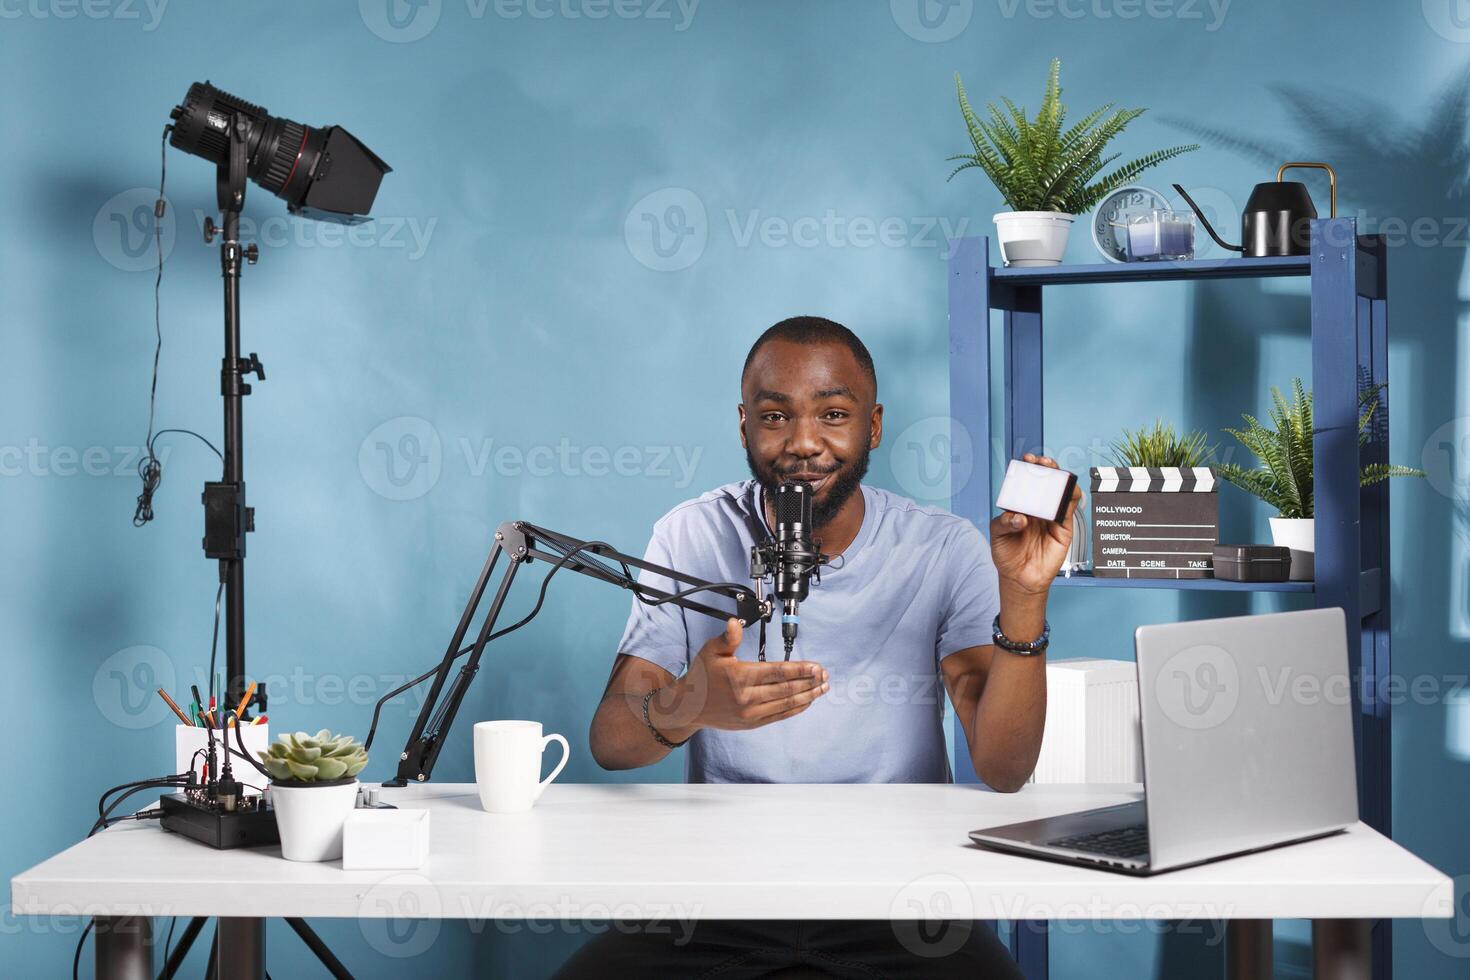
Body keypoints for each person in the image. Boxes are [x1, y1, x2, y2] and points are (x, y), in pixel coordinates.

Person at [554, 316, 1079, 978]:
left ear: (874, 427)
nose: (804, 443)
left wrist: (1026, 598)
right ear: (744, 426)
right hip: (718, 898)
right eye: (775, 418)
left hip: (900, 900)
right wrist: (690, 703)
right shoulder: (690, 535)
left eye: (833, 414)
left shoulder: (942, 549)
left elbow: (1004, 766)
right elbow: (611, 741)